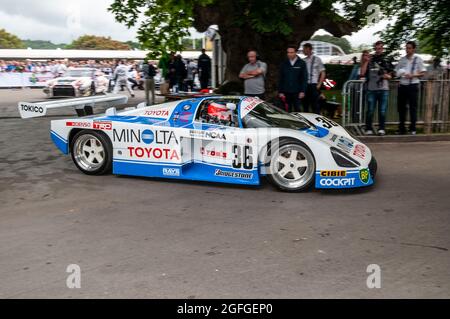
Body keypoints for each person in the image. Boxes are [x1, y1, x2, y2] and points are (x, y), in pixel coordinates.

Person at [395, 41, 426, 135]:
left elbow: (423, 73)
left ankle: (413, 129)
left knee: (413, 108)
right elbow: (396, 72)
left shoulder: (418, 59)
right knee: (401, 108)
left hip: (413, 85)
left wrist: (413, 75)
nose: (407, 50)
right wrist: (399, 76)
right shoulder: (402, 59)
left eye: (409, 48)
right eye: (406, 48)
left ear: (413, 49)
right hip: (403, 86)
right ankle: (402, 128)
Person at [364, 41, 394, 136]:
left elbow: (392, 74)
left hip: (383, 88)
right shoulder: (371, 59)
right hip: (371, 89)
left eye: (380, 48)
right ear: (374, 48)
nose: (378, 50)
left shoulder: (387, 59)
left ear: (382, 48)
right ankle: (368, 128)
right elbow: (363, 72)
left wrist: (387, 76)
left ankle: (382, 128)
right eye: (376, 48)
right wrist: (366, 61)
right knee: (370, 110)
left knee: (382, 110)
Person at [278, 45, 308, 113]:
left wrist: (302, 91)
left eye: (291, 52)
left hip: (297, 92)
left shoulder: (302, 63)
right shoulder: (284, 63)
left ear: (295, 52)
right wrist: (280, 91)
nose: (289, 54)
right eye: (288, 52)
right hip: (286, 92)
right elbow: (281, 78)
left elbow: (304, 78)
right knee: (287, 110)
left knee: (297, 110)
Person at [302, 43, 326, 114]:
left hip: (313, 85)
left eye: (304, 49)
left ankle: (316, 120)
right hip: (305, 85)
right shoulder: (303, 60)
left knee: (315, 105)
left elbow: (323, 72)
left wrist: (319, 84)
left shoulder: (317, 59)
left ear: (309, 49)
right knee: (305, 104)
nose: (303, 51)